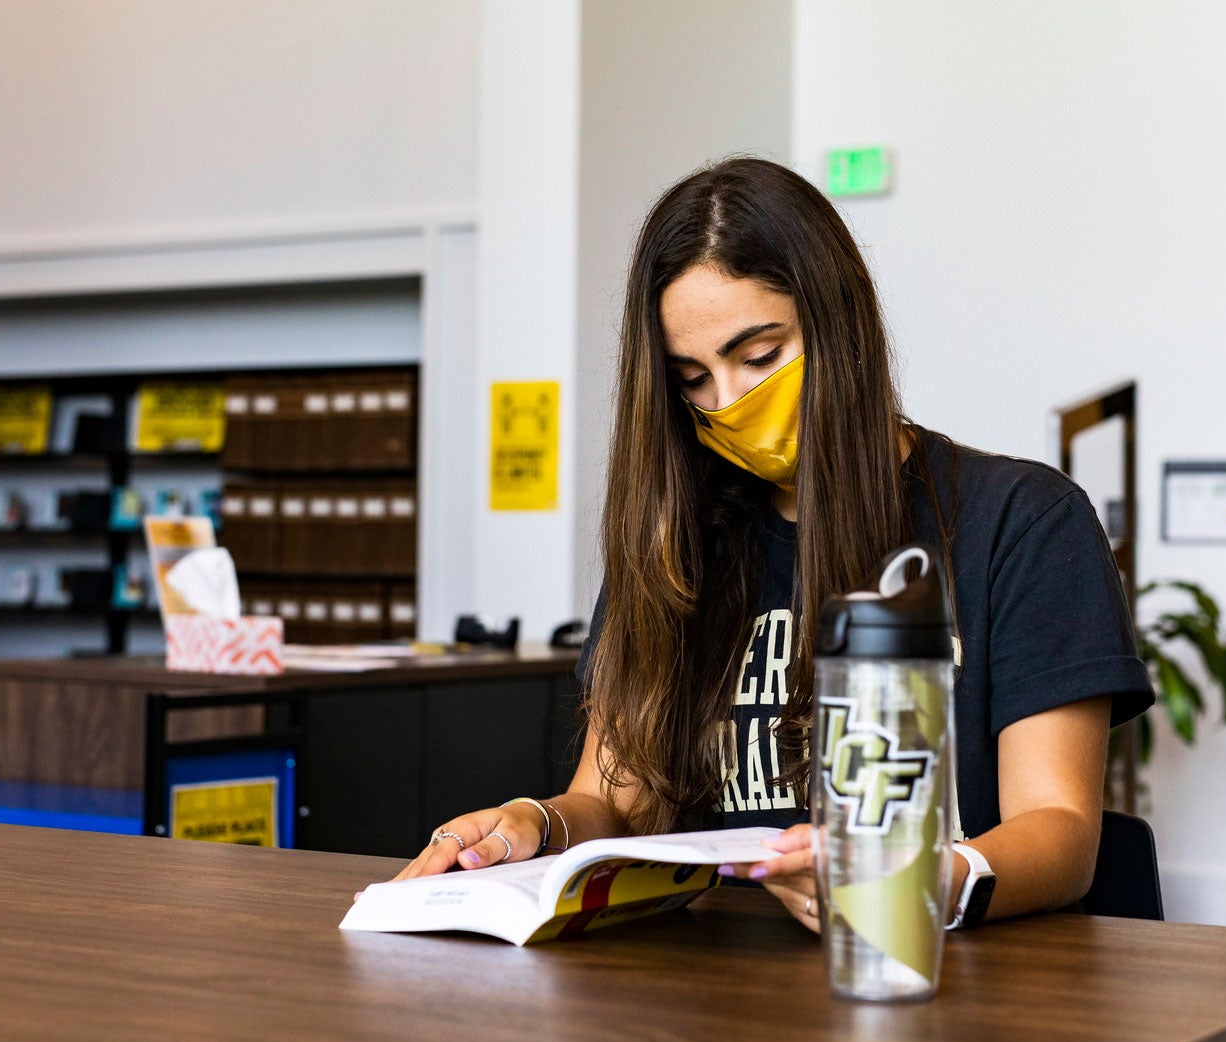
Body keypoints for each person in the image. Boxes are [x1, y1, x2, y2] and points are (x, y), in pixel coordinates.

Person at [393, 157, 1154, 932]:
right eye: (692, 378)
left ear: (839, 323)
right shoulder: (675, 543)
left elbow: (1059, 830)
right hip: (712, 995)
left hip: (935, 990)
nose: (728, 403)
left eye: (758, 357)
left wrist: (908, 885)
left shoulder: (1020, 522)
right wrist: (534, 823)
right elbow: (609, 800)